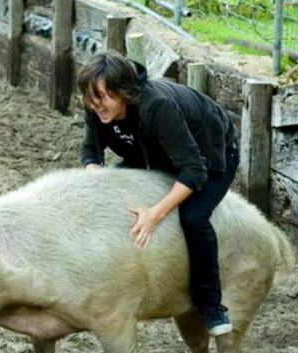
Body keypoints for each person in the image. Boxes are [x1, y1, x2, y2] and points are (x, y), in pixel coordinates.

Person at [78, 51, 239, 336]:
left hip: (210, 154)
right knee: (108, 190)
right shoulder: (96, 107)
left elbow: (193, 170)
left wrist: (155, 213)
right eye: (90, 98)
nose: (95, 105)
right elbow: (91, 151)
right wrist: (95, 178)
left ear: (123, 92)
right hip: (152, 151)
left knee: (193, 217)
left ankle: (211, 306)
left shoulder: (157, 106)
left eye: (102, 97)